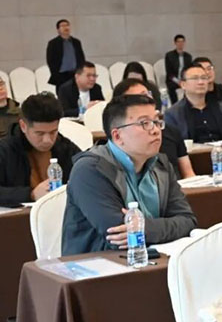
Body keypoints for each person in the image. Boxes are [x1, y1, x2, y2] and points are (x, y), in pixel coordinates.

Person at [61, 94, 197, 255]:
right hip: (95, 264)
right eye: (145, 123)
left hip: (149, 259)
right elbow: (116, 235)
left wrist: (145, 229)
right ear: (117, 136)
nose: (155, 130)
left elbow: (187, 221)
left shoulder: (161, 164)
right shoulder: (90, 170)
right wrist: (157, 229)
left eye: (156, 122)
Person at [0, 93, 81, 204]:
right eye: (40, 133)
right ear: (23, 126)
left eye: (53, 132)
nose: (47, 140)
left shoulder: (64, 146)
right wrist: (31, 194)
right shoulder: (5, 150)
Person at [113, 78, 196, 179]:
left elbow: (188, 173)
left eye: (147, 94)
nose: (147, 99)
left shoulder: (170, 130)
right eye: (139, 97)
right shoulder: (124, 137)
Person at [164, 64, 222, 142]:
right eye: (195, 78)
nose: (201, 82)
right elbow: (173, 143)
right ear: (183, 84)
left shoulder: (221, 107)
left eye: (204, 78)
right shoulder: (173, 114)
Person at [46, 19, 86, 89]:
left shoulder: (76, 42)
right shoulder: (53, 43)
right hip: (61, 76)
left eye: (67, 25)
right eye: (63, 26)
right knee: (63, 94)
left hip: (75, 74)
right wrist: (55, 74)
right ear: (58, 30)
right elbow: (50, 60)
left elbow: (81, 58)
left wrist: (80, 71)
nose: (66, 27)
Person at [165, 34, 193, 104]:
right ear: (175, 43)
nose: (181, 44)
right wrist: (179, 82)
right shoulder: (169, 55)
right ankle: (175, 105)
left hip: (184, 79)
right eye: (178, 42)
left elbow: (189, 70)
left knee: (191, 86)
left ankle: (187, 105)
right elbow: (169, 73)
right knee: (171, 89)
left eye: (182, 42)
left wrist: (184, 80)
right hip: (173, 80)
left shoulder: (188, 56)